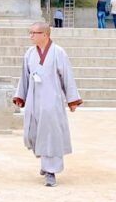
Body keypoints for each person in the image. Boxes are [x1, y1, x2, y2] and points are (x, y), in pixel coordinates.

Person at [12, 22, 83, 187]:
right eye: (29, 33)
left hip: (52, 100)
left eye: (34, 33)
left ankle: (51, 171)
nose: (31, 36)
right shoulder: (29, 53)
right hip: (33, 100)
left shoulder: (58, 52)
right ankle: (45, 163)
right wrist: (21, 96)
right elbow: (24, 76)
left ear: (45, 34)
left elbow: (67, 76)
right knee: (34, 133)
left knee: (51, 134)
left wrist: (72, 100)